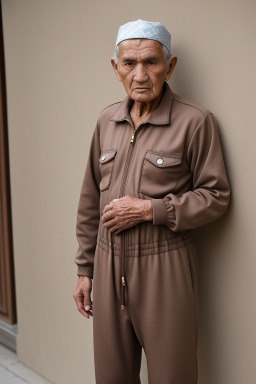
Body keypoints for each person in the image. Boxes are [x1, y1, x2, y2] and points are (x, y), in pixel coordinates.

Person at [73, 19, 230, 384]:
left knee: (172, 377)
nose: (140, 74)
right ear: (116, 68)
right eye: (129, 63)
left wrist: (150, 209)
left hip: (166, 268)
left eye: (151, 62)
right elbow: (88, 201)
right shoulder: (106, 121)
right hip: (108, 265)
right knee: (111, 377)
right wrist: (84, 269)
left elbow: (216, 196)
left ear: (169, 66)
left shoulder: (195, 121)